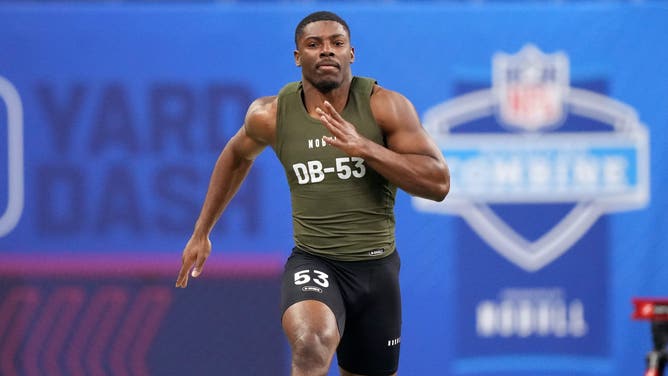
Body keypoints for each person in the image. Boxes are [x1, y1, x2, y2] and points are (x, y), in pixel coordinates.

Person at [175, 10, 450, 376]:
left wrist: (367, 148)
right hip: (314, 262)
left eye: (336, 43)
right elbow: (236, 156)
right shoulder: (270, 115)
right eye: (313, 44)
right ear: (297, 56)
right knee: (311, 343)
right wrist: (202, 231)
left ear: (352, 53)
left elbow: (438, 184)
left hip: (376, 270)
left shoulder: (385, 107)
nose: (326, 51)